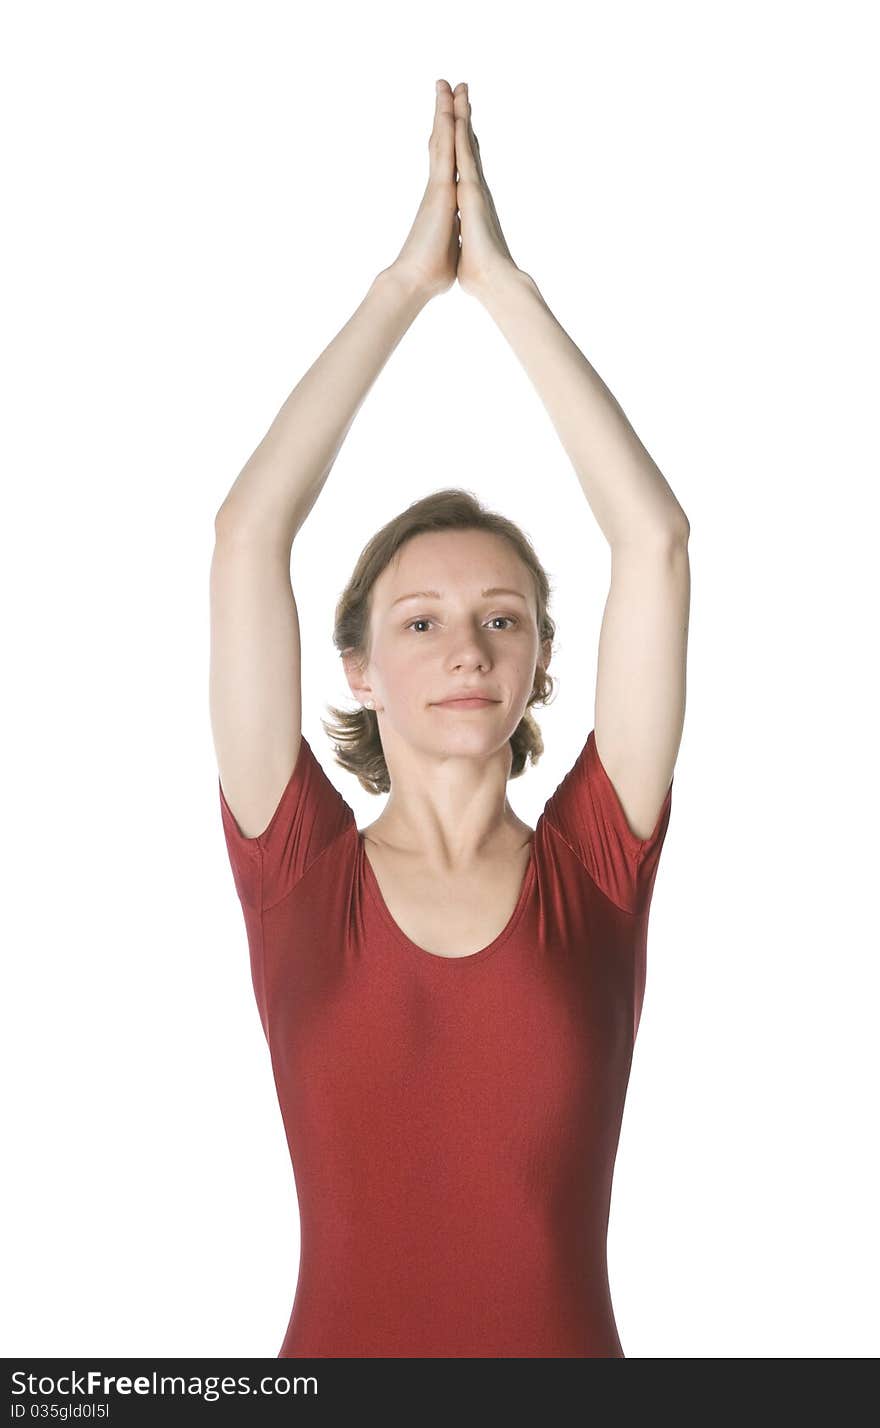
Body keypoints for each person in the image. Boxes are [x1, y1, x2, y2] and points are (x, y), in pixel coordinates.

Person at [210, 78, 689, 1358]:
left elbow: (652, 539)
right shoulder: (294, 862)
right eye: (417, 620)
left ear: (540, 663)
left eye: (503, 618)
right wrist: (405, 288)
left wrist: (508, 291)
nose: (465, 646)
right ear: (357, 665)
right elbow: (248, 534)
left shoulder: (598, 862)